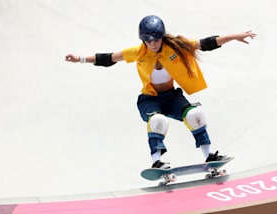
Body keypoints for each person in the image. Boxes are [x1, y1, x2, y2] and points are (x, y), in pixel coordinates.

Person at [65, 15, 256, 169]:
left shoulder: (175, 46)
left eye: (156, 39)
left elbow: (205, 43)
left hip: (172, 97)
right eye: (149, 41)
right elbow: (108, 58)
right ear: (143, 40)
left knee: (195, 114)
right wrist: (80, 58)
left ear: (162, 36)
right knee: (158, 121)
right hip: (150, 100)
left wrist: (233, 36)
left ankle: (209, 156)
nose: (153, 44)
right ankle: (156, 161)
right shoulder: (138, 52)